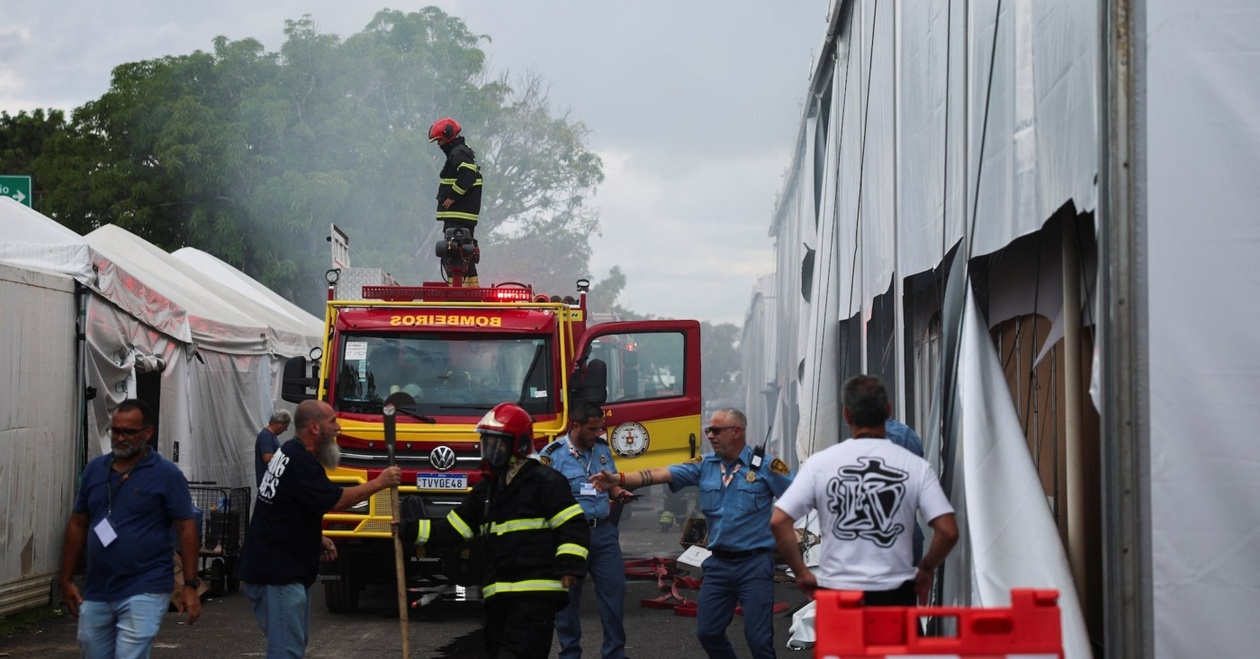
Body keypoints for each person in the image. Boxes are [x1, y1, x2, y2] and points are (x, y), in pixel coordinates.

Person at [590, 408, 793, 659]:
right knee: (708, 632)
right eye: (708, 430)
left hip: (754, 565)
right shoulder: (704, 466)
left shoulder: (765, 467)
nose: (710, 435)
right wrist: (618, 478)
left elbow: (798, 495)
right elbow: (659, 474)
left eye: (716, 430)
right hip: (719, 564)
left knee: (759, 640)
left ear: (737, 432)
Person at [401, 402, 589, 658]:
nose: (490, 450)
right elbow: (453, 529)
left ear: (518, 445)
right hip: (499, 598)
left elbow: (573, 525)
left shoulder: (545, 482)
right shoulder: (488, 490)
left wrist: (570, 564)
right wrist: (407, 530)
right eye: (487, 443)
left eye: (497, 444)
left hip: (534, 596)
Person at [770, 375, 959, 607]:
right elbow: (948, 531)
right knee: (896, 645)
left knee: (842, 644)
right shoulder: (914, 466)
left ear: (846, 415)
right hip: (895, 593)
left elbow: (779, 521)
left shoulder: (820, 464)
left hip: (839, 594)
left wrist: (801, 573)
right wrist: (926, 568)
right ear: (888, 410)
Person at [237, 399, 402, 658]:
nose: (339, 428)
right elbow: (337, 500)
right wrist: (380, 482)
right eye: (333, 421)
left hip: (274, 569)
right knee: (286, 652)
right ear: (314, 427)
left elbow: (279, 509)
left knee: (294, 645)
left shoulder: (290, 452)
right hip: (277, 574)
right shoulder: (299, 460)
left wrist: (316, 537)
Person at [59, 398, 202, 658]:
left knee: (129, 654)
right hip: (98, 587)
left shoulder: (166, 475)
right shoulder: (94, 470)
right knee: (92, 651)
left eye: (129, 432)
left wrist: (190, 585)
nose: (120, 438)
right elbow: (78, 522)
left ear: (147, 432)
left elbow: (187, 528)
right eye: (116, 431)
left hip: (146, 585)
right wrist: (66, 578)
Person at [539, 403, 636, 659]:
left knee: (614, 594)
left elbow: (611, 483)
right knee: (568, 600)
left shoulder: (602, 451)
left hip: (604, 534)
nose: (598, 434)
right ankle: (570, 653)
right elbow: (541, 497)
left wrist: (620, 492)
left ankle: (615, 653)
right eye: (592, 429)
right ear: (576, 426)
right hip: (570, 537)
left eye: (600, 429)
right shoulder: (552, 455)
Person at [428, 116, 483, 286]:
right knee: (463, 255)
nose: (439, 145)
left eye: (440, 140)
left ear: (449, 136)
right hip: (461, 216)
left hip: (459, 215)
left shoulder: (458, 152)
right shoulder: (460, 151)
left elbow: (468, 174)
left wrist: (452, 197)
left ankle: (457, 293)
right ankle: (470, 291)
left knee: (452, 255)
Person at [253, 410, 292, 489]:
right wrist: (286, 459)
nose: (286, 429)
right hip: (267, 483)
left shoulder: (271, 436)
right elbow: (267, 458)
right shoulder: (266, 436)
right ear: (278, 422)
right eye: (285, 426)